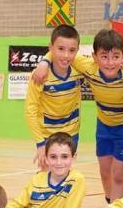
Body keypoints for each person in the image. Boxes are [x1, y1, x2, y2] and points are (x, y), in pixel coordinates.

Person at [33, 30, 123, 202]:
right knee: (105, 174)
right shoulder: (87, 67)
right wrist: (44, 62)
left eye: (116, 56)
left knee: (119, 176)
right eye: (104, 57)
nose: (110, 63)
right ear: (94, 57)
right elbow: (61, 51)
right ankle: (111, 206)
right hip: (103, 127)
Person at [0, 132, 85, 208]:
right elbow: (15, 206)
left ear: (74, 157)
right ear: (46, 158)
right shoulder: (37, 180)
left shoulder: (76, 180)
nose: (59, 162)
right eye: (53, 157)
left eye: (64, 156)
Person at [26, 24, 82, 170]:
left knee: (65, 174)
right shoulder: (39, 75)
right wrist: (40, 143)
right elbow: (30, 110)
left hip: (71, 133)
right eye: (60, 49)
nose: (66, 55)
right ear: (50, 47)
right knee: (46, 177)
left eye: (72, 50)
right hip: (46, 136)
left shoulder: (80, 69)